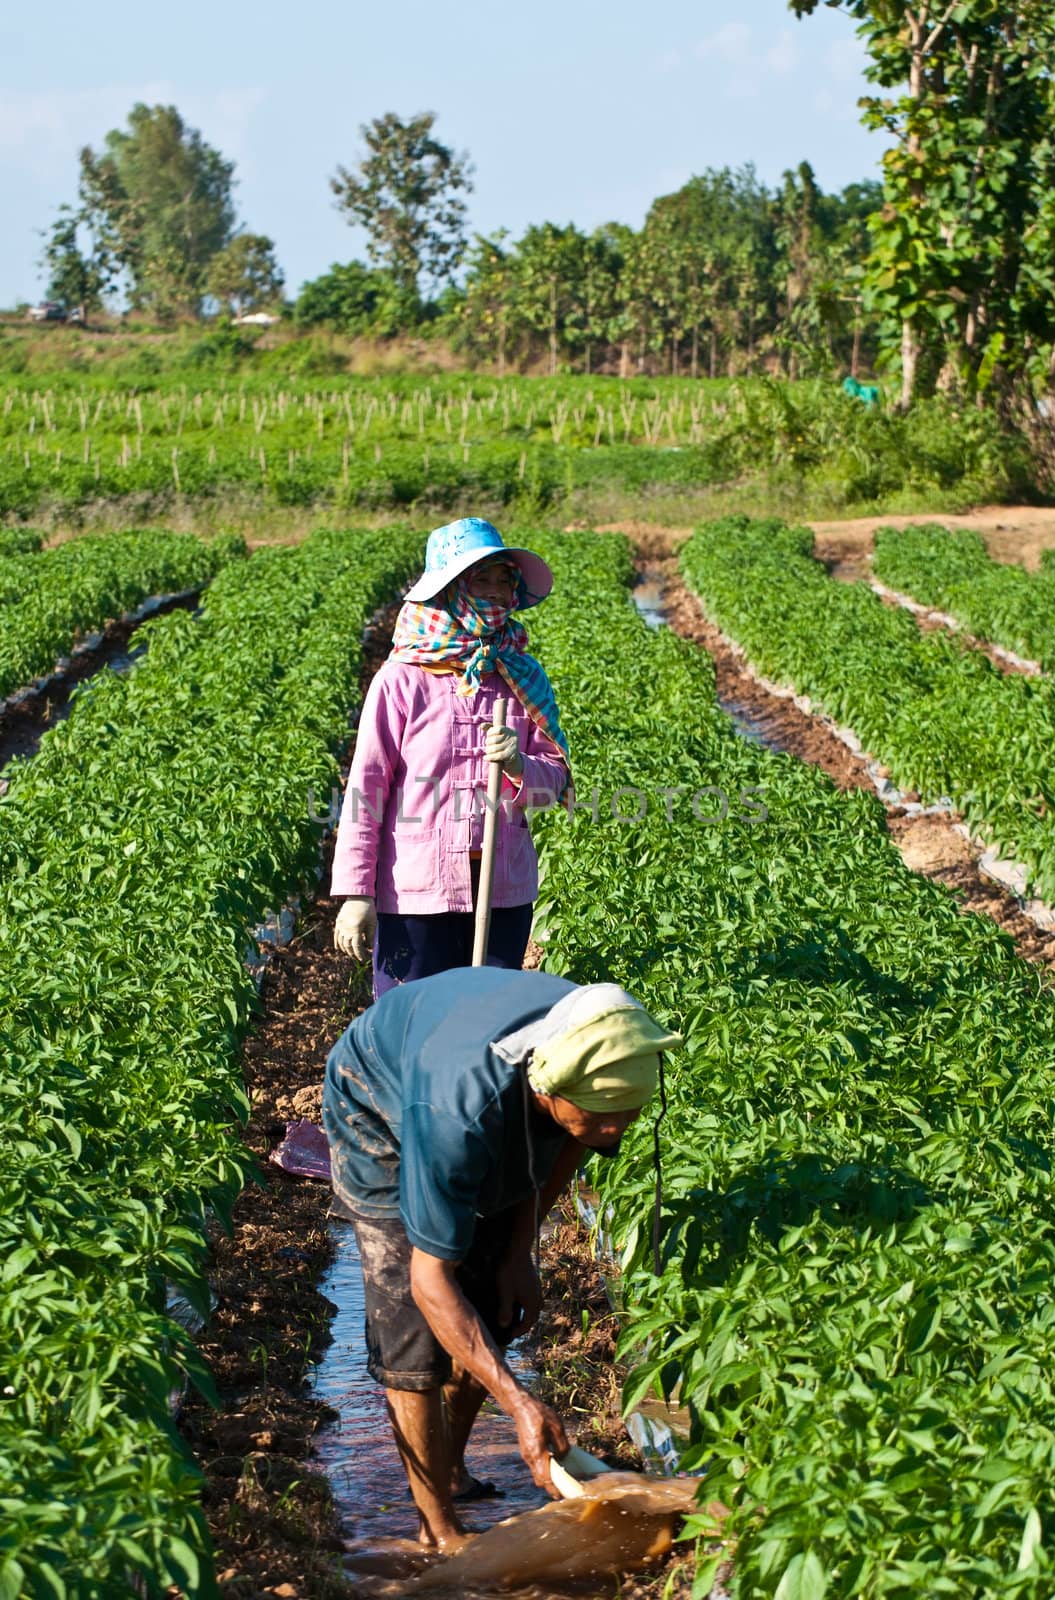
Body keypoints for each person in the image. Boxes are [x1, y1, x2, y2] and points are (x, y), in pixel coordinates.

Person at [321, 965, 683, 1551]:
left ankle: (454, 1469)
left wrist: (519, 1253)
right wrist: (517, 1402)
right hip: (378, 1100)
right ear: (546, 1091)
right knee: (411, 1332)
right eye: (600, 1114)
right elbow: (429, 1281)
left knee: (491, 1301)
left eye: (628, 1113)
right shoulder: (455, 1114)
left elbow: (576, 1142)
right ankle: (435, 1524)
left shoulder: (597, 1043)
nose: (615, 1129)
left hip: (470, 1085)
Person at [332, 517, 570, 998]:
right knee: (415, 1025)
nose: (498, 591)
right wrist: (357, 894)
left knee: (489, 1028)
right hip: (417, 893)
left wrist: (523, 766)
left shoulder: (520, 676)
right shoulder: (402, 680)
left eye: (504, 579)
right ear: (449, 590)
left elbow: (559, 784)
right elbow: (366, 790)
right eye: (481, 579)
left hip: (502, 890)